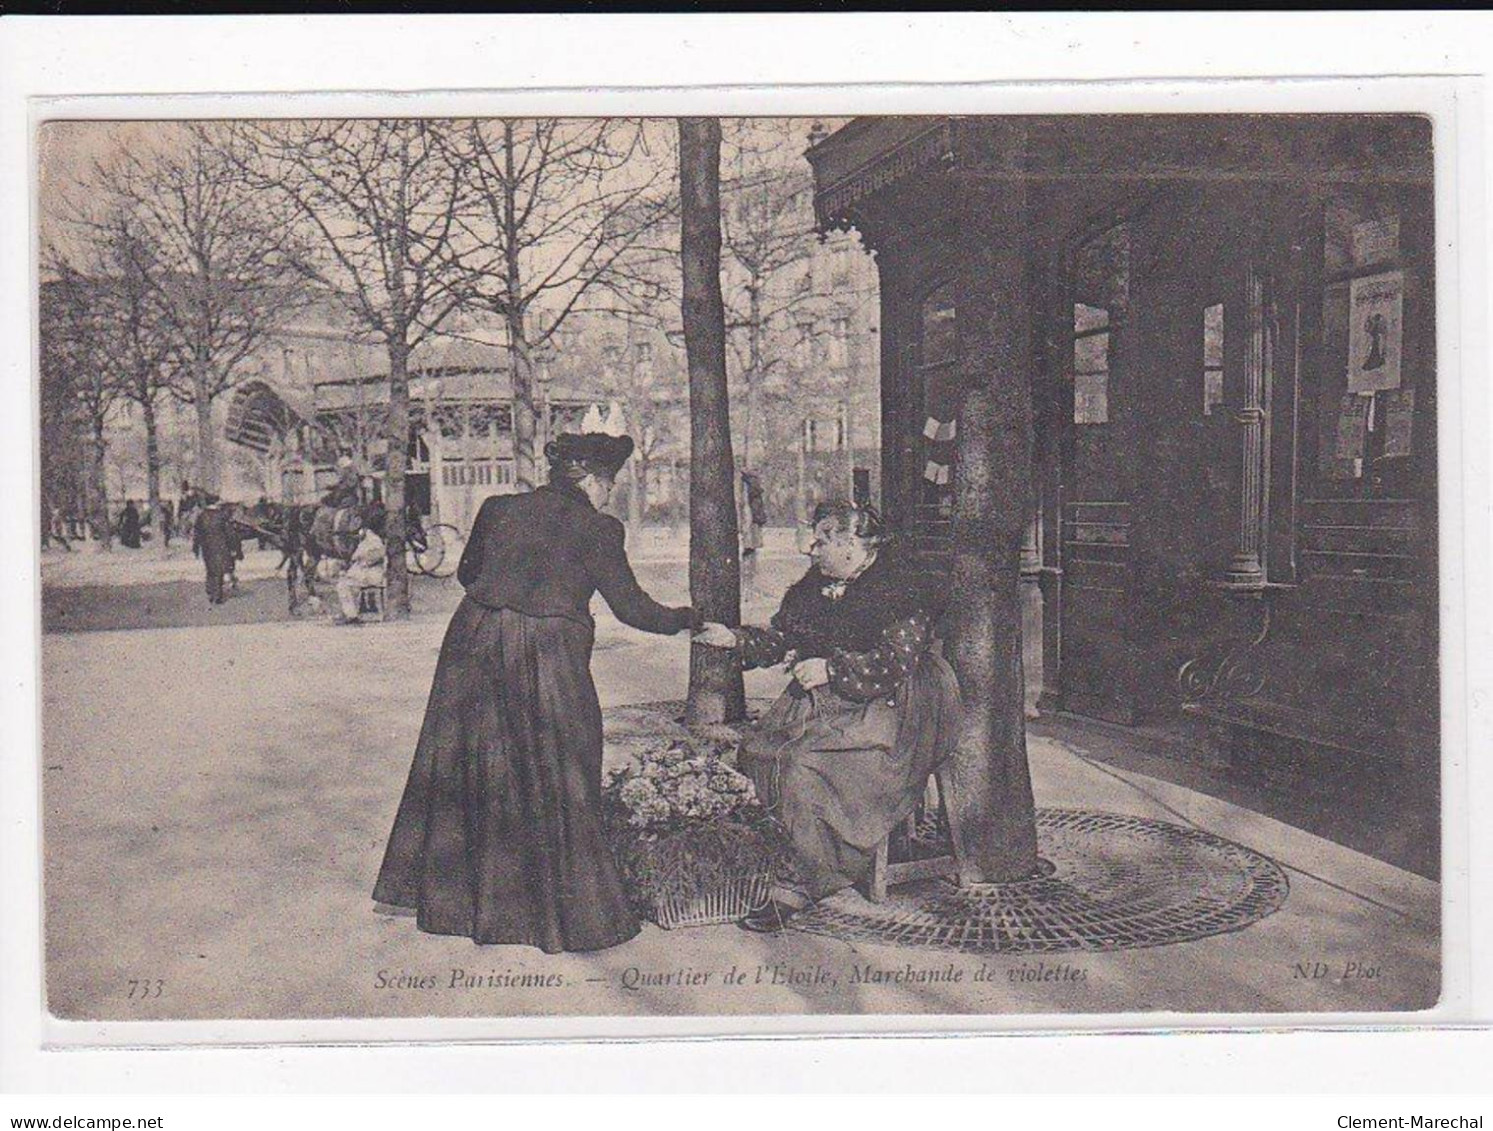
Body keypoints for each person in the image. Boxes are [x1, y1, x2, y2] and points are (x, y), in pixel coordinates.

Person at [373, 432, 698, 953]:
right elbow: (632, 607)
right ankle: (560, 913)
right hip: (547, 650)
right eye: (609, 484)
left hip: (475, 640)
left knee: (477, 762)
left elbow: (466, 573)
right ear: (592, 481)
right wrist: (688, 620)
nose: (610, 494)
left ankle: (468, 905)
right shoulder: (598, 528)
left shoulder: (498, 507)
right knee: (562, 760)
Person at [695, 500, 961, 932]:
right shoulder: (814, 587)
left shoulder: (903, 586)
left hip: (893, 704)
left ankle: (802, 882)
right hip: (835, 699)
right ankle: (791, 856)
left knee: (805, 765)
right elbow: (783, 638)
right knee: (759, 750)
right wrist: (734, 640)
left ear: (851, 544)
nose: (811, 550)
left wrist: (832, 670)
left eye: (821, 541)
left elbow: (897, 663)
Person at [332, 504, 386, 626]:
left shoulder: (372, 540)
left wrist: (357, 559)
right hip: (368, 572)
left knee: (343, 585)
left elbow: (364, 557)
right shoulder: (369, 540)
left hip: (371, 574)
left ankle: (351, 615)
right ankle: (350, 612)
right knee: (346, 581)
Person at [192, 498, 236, 606]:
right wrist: (233, 547)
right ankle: (217, 596)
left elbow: (197, 534)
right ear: (216, 503)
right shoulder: (222, 516)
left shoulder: (201, 516)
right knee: (219, 570)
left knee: (210, 569)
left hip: (206, 547)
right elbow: (230, 533)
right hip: (221, 546)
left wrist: (196, 548)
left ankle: (210, 592)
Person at [738, 470, 767, 595]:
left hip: (752, 523)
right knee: (749, 551)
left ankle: (749, 584)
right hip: (752, 523)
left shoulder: (750, 492)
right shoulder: (752, 492)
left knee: (750, 551)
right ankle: (748, 584)